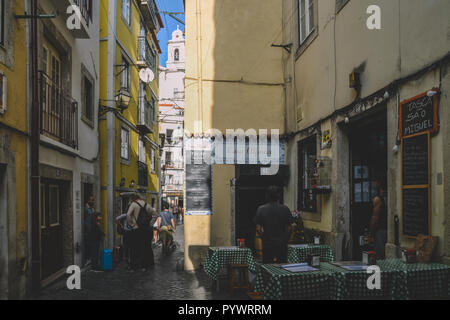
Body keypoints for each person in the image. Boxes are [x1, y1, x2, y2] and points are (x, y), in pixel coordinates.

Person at [254, 186, 294, 264]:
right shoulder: (285, 209)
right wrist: (285, 239)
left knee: (267, 266)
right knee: (282, 266)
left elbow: (258, 228)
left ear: (267, 196)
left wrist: (264, 237)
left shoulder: (261, 209)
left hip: (267, 243)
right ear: (278, 196)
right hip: (281, 243)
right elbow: (289, 228)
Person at [126, 192, 156, 271]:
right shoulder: (147, 205)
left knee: (134, 247)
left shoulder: (133, 204)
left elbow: (128, 214)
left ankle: (134, 265)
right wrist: (150, 224)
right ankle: (144, 266)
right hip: (145, 229)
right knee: (144, 247)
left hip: (136, 228)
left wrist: (131, 224)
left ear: (134, 198)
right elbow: (155, 215)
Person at [369, 176, 388, 259]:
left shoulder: (378, 199)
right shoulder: (389, 196)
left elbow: (374, 218)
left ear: (379, 183)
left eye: (376, 181)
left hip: (380, 230)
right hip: (388, 230)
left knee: (380, 255)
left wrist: (371, 233)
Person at [84, 196, 96, 265]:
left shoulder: (92, 208)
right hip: (87, 229)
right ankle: (87, 258)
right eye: (91, 200)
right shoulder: (85, 209)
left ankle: (91, 258)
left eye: (93, 200)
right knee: (87, 244)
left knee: (91, 243)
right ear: (88, 201)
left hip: (92, 229)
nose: (93, 202)